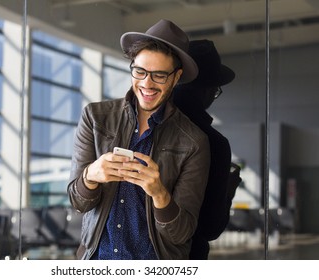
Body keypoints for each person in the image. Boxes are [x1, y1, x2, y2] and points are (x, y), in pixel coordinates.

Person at [67, 19, 211, 260]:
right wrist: (90, 175)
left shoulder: (193, 142)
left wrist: (159, 194)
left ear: (176, 78)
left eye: (159, 76)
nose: (146, 83)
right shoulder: (95, 118)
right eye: (140, 71)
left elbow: (182, 232)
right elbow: (77, 202)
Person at [172, 39, 241, 259]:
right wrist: (228, 191)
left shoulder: (142, 127)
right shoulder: (214, 143)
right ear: (208, 90)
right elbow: (210, 227)